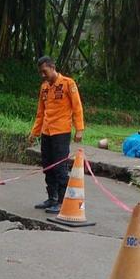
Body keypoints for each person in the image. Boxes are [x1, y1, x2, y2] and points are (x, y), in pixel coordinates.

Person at [29, 56, 85, 214]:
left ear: (52, 67)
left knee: (60, 167)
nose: (43, 75)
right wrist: (34, 132)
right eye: (40, 72)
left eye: (44, 71)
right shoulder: (44, 87)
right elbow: (40, 112)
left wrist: (79, 129)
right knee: (47, 166)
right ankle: (51, 197)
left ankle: (61, 201)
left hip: (61, 132)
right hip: (46, 132)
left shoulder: (68, 83)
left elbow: (77, 107)